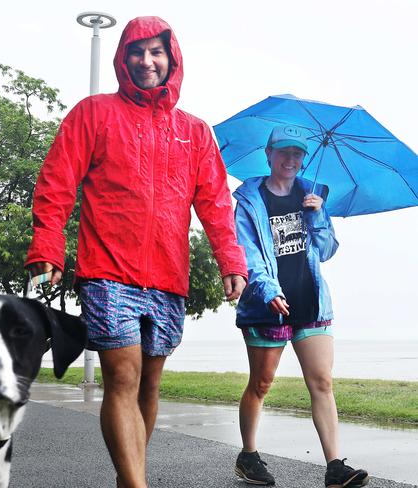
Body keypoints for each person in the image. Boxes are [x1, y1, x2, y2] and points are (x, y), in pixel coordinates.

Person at [25, 16, 248, 488]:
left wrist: (231, 259)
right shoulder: (94, 113)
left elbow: (214, 203)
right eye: (137, 52)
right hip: (108, 268)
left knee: (149, 385)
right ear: (123, 58)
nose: (147, 61)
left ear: (172, 59)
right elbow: (57, 182)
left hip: (168, 275)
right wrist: (48, 245)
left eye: (156, 52)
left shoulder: (196, 132)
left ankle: (134, 476)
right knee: (122, 379)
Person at [232, 124, 369, 488]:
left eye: (297, 154)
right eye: (284, 152)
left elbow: (326, 251)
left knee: (322, 381)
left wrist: (318, 216)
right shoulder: (249, 200)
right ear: (269, 154)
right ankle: (248, 455)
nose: (290, 160)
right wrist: (267, 290)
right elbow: (247, 255)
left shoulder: (313, 196)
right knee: (261, 384)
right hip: (267, 306)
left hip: (311, 302)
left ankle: (335, 467)